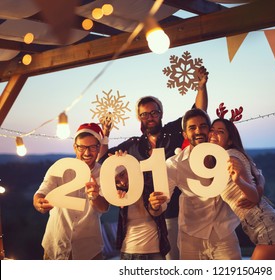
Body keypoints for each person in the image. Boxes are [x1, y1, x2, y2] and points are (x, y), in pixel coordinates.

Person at [98, 66, 209, 260]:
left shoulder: (173, 132)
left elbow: (197, 112)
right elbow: (103, 160)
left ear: (161, 113)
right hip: (145, 218)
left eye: (154, 113)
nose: (150, 117)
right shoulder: (133, 145)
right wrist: (105, 135)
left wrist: (201, 87)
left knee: (174, 261)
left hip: (172, 213)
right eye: (144, 114)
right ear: (139, 118)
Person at [151, 108, 242, 260]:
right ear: (185, 134)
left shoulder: (227, 157)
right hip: (191, 238)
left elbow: (252, 174)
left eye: (203, 126)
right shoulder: (175, 164)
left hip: (224, 234)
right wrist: (155, 205)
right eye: (192, 128)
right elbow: (160, 204)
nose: (198, 131)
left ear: (210, 130)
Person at [209, 117, 275, 259]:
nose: (213, 134)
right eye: (212, 130)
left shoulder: (230, 157)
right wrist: (260, 187)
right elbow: (260, 176)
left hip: (268, 228)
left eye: (220, 131)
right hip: (269, 226)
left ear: (230, 140)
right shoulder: (233, 154)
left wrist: (238, 181)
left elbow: (253, 197)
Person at [33, 123, 110, 260]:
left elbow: (104, 207)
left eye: (92, 147)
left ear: (98, 148)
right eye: (82, 147)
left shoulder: (104, 172)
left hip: (90, 250)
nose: (87, 153)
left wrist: (95, 196)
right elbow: (42, 191)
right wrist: (38, 202)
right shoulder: (60, 168)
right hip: (56, 245)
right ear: (75, 147)